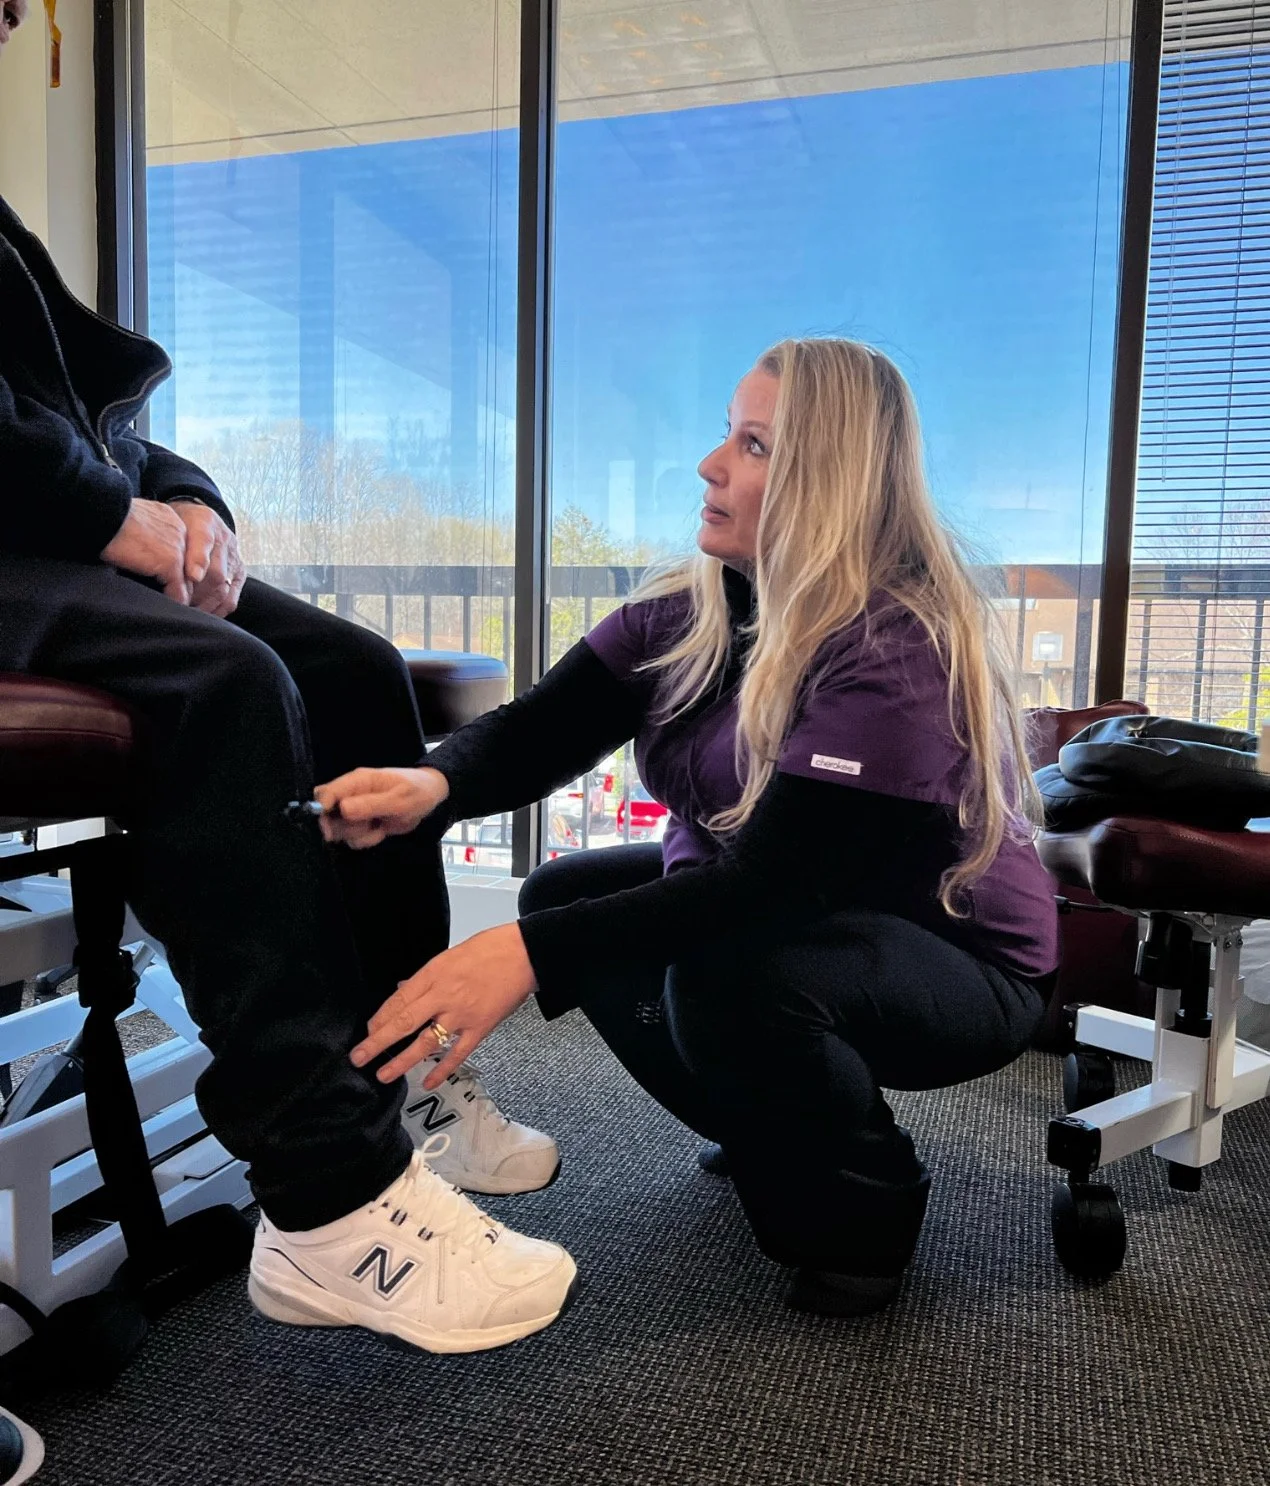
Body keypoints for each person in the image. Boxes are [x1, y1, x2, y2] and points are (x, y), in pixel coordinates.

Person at [0, 0, 575, 1355]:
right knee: (229, 683)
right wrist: (109, 519)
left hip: (56, 527)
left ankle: (402, 1074)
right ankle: (330, 1197)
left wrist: (196, 512)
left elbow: (100, 406)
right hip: (24, 544)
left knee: (357, 672)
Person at [316, 337, 1059, 1318]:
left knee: (724, 971)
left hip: (954, 952)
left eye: (752, 445)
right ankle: (763, 1109)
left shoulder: (890, 647)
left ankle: (868, 1216)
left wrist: (524, 955)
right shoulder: (691, 609)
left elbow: (774, 886)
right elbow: (545, 726)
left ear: (823, 480)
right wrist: (431, 784)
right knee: (566, 895)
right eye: (725, 434)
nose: (711, 465)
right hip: (789, 917)